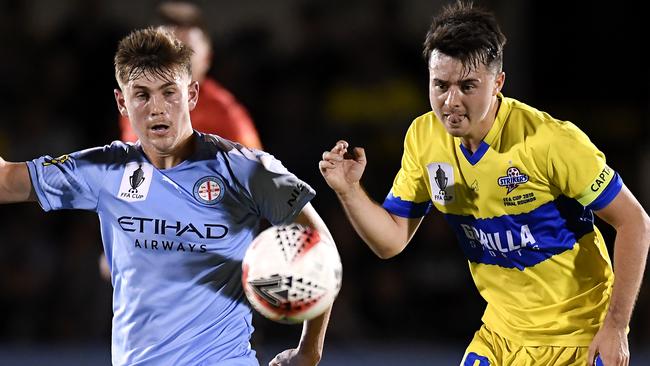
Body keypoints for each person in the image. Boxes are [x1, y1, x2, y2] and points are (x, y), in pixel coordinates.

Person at [319, 2, 649, 365]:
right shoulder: (424, 138)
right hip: (500, 335)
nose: (451, 101)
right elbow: (392, 240)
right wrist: (349, 191)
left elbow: (634, 221)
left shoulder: (550, 141)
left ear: (498, 84)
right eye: (440, 85)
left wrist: (617, 326)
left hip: (577, 336)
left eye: (467, 86)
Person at [1, 27, 333, 365]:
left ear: (191, 95)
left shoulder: (246, 170)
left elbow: (320, 244)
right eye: (142, 95)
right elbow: (6, 181)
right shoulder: (105, 169)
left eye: (168, 92)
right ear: (122, 102)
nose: (157, 108)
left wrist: (309, 350)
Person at [102, 0, 263, 281]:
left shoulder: (229, 118)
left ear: (207, 58)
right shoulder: (138, 103)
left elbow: (257, 192)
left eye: (187, 54)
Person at [118, 1, 262, 149]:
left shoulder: (226, 115)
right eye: (164, 50)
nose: (173, 62)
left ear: (207, 59)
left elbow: (257, 169)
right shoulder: (135, 99)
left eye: (187, 52)